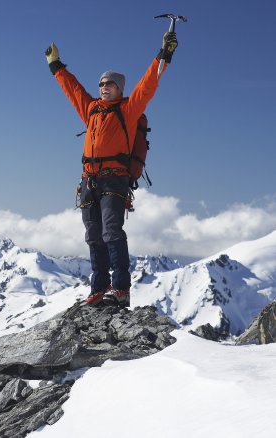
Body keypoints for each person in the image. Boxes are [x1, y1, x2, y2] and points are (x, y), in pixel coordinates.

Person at [45, 32, 178, 307]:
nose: (104, 87)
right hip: (88, 182)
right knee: (93, 234)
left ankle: (120, 289)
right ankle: (99, 287)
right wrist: (56, 66)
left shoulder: (128, 110)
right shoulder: (91, 110)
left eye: (110, 84)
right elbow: (73, 90)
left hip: (114, 181)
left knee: (112, 231)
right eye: (102, 83)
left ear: (119, 88)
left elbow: (149, 84)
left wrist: (164, 54)